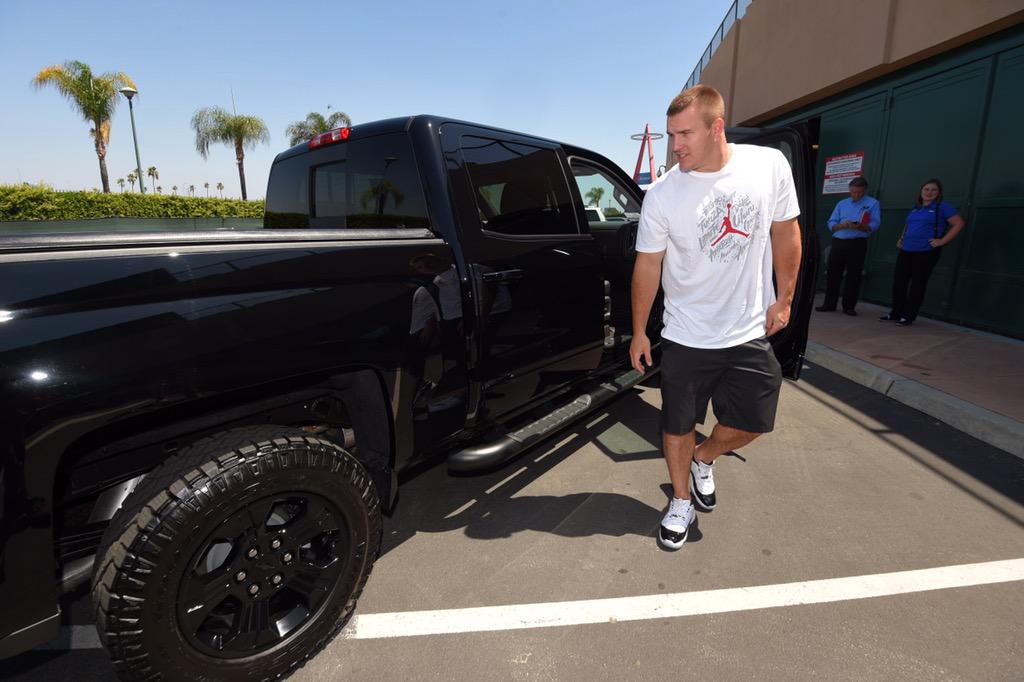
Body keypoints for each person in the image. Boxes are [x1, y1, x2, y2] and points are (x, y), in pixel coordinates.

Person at [630, 84, 802, 551]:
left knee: (754, 422)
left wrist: (784, 300)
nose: (676, 145)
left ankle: (705, 458)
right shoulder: (663, 194)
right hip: (686, 333)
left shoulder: (768, 167)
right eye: (671, 135)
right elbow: (648, 264)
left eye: (685, 133)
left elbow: (787, 234)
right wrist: (640, 330)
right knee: (676, 426)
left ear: (716, 127)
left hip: (747, 330)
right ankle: (681, 499)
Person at [880, 178, 965, 326]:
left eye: (933, 190)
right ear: (921, 191)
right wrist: (901, 238)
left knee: (917, 284)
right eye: (926, 189)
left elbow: (959, 223)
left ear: (939, 193)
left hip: (926, 252)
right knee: (899, 282)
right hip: (906, 249)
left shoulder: (942, 207)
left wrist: (942, 241)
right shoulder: (915, 207)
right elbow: (908, 224)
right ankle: (895, 313)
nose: (929, 192)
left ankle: (908, 316)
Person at [816, 176, 880, 315]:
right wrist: (841, 225)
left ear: (865, 190)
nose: (856, 195)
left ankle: (849, 306)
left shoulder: (873, 203)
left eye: (860, 192)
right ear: (849, 190)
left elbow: (875, 224)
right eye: (853, 192)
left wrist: (862, 227)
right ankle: (829, 304)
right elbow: (831, 222)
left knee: (854, 275)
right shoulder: (842, 203)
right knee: (833, 273)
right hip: (839, 241)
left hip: (857, 242)